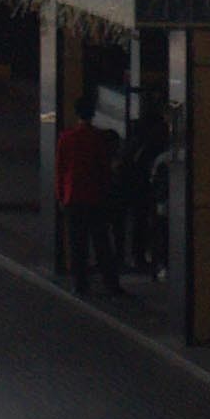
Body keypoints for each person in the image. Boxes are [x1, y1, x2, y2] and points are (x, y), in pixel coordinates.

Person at [51, 102, 116, 301]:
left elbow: (60, 169)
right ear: (93, 115)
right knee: (101, 241)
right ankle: (110, 282)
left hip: (73, 195)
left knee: (77, 243)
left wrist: (61, 196)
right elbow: (105, 168)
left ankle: (80, 283)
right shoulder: (98, 138)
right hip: (95, 195)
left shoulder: (66, 138)